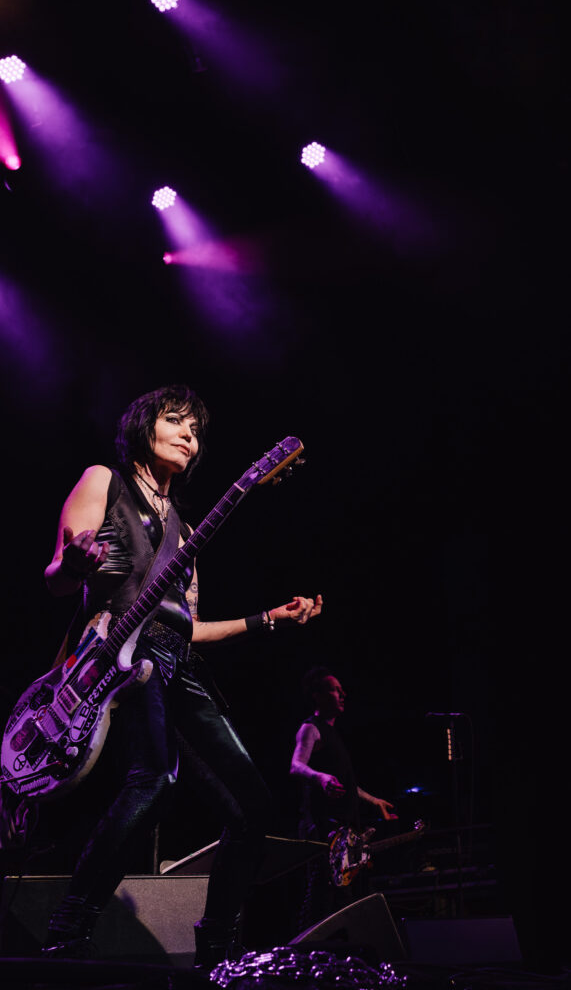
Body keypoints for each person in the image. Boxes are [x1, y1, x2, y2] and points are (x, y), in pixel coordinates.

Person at [41, 385, 322, 968]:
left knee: (253, 808)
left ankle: (217, 948)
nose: (190, 437)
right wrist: (72, 563)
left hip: (177, 663)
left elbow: (189, 628)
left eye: (196, 431)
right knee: (156, 779)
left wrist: (267, 619)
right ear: (145, 428)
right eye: (177, 422)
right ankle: (69, 929)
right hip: (116, 657)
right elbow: (56, 577)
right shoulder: (104, 481)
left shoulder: (186, 531)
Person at [290, 666, 396, 929]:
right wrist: (320, 778)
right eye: (335, 689)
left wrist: (375, 801)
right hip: (322, 829)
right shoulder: (310, 728)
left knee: (343, 899)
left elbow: (349, 786)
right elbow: (296, 765)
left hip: (343, 831)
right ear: (317, 695)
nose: (342, 694)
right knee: (321, 899)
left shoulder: (333, 734)